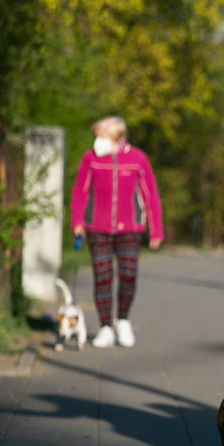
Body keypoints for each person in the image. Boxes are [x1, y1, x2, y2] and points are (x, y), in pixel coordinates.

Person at [70, 116, 164, 349]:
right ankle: (104, 327)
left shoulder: (137, 158)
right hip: (97, 228)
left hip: (129, 228)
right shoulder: (90, 158)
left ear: (117, 137)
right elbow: (79, 192)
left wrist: (156, 231)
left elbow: (150, 194)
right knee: (102, 278)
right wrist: (77, 221)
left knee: (128, 276)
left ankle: (122, 320)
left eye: (101, 136)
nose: (97, 141)